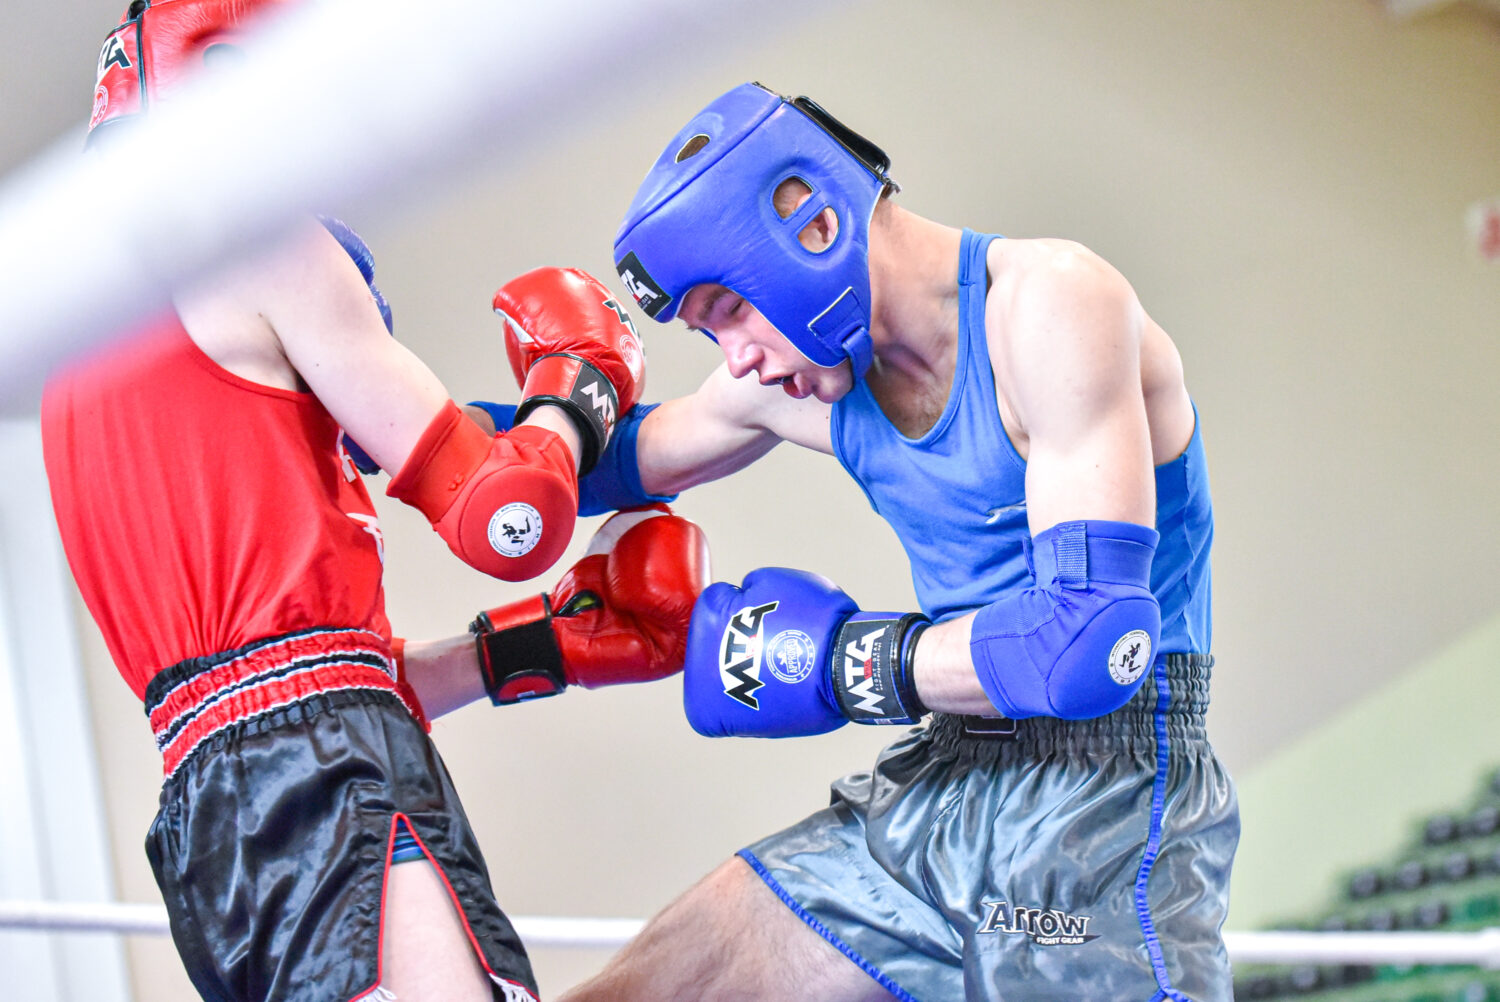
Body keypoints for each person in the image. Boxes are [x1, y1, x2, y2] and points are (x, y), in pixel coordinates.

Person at [41, 2, 708, 1000]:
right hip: (331, 775)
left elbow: (276, 684)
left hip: (204, 822)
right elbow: (507, 516)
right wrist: (581, 386)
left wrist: (533, 648)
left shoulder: (72, 340)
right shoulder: (259, 241)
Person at [551, 81, 1235, 1001]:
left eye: (728, 311)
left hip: (1104, 796)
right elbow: (597, 465)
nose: (738, 359)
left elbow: (1085, 644)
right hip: (945, 775)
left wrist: (850, 662)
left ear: (813, 228)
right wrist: (465, 425)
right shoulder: (802, 377)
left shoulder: (1049, 304)